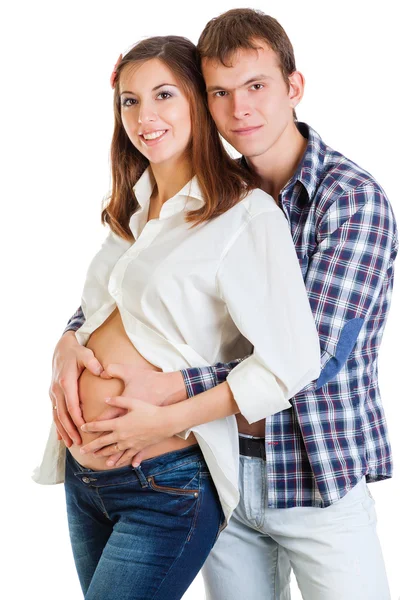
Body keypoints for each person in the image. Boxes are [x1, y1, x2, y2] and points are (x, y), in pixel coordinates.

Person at [49, 8, 399, 600]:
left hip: (314, 475)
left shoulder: (350, 200)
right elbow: (137, 293)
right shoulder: (206, 194)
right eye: (220, 92)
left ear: (294, 87)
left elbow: (311, 359)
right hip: (224, 467)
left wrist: (175, 389)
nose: (241, 110)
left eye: (257, 86)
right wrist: (69, 340)